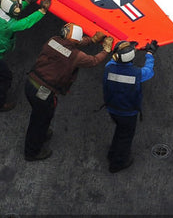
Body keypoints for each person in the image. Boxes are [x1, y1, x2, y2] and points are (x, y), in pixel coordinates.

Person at [23, 23, 113, 161]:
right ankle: (32, 152)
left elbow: (73, 42)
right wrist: (106, 50)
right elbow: (93, 61)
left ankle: (42, 133)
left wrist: (92, 40)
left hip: (30, 83)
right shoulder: (76, 56)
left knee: (40, 115)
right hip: (43, 93)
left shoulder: (53, 39)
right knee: (39, 121)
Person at [102, 39, 157, 172]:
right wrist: (149, 53)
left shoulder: (108, 67)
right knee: (125, 137)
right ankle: (117, 163)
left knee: (120, 131)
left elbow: (115, 59)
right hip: (128, 113)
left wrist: (127, 49)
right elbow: (149, 70)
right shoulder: (137, 74)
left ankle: (112, 153)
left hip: (112, 108)